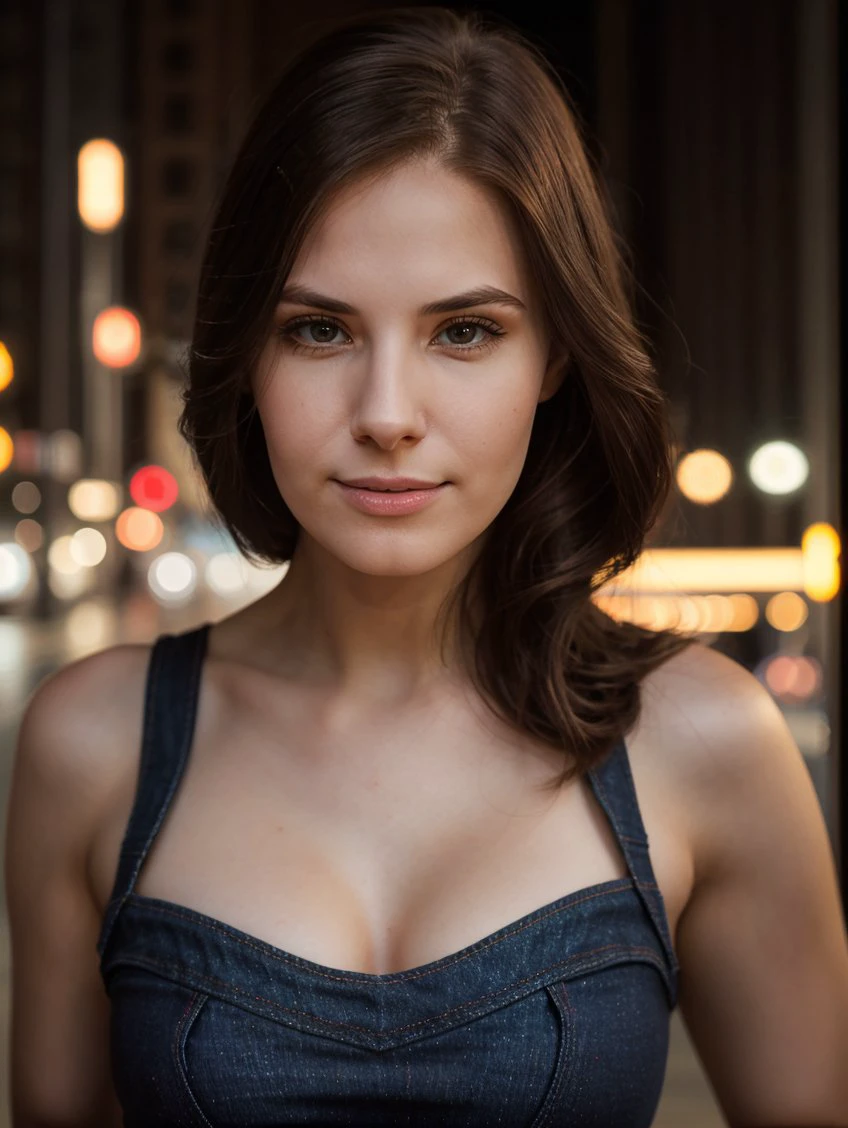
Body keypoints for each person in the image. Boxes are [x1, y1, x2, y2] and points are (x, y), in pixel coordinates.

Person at [6, 6, 848, 1126]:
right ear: (244, 352)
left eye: (464, 332)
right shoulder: (94, 744)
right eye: (319, 331)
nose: (387, 415)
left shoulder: (703, 744)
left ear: (554, 353)